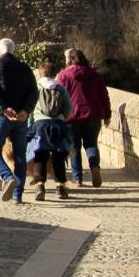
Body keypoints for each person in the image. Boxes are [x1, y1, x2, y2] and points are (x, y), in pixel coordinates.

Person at [0, 37, 38, 204]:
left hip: (1, 116)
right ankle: (18, 194)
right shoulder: (25, 68)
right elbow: (33, 92)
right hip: (20, 118)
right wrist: (25, 110)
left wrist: (3, 108)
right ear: (14, 51)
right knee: (20, 154)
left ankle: (7, 177)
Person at [57, 47, 111, 187]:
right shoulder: (95, 74)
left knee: (74, 146)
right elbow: (104, 96)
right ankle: (94, 167)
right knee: (91, 144)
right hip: (93, 114)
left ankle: (77, 178)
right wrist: (107, 115)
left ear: (69, 60)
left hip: (71, 116)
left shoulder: (64, 75)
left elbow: (59, 97)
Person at [28, 60, 73, 201]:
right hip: (58, 125)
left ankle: (40, 186)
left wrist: (32, 123)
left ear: (40, 73)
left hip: (40, 125)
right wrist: (61, 118)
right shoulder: (60, 88)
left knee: (40, 155)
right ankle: (61, 188)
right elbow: (68, 109)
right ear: (54, 74)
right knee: (59, 156)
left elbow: (29, 108)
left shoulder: (36, 88)